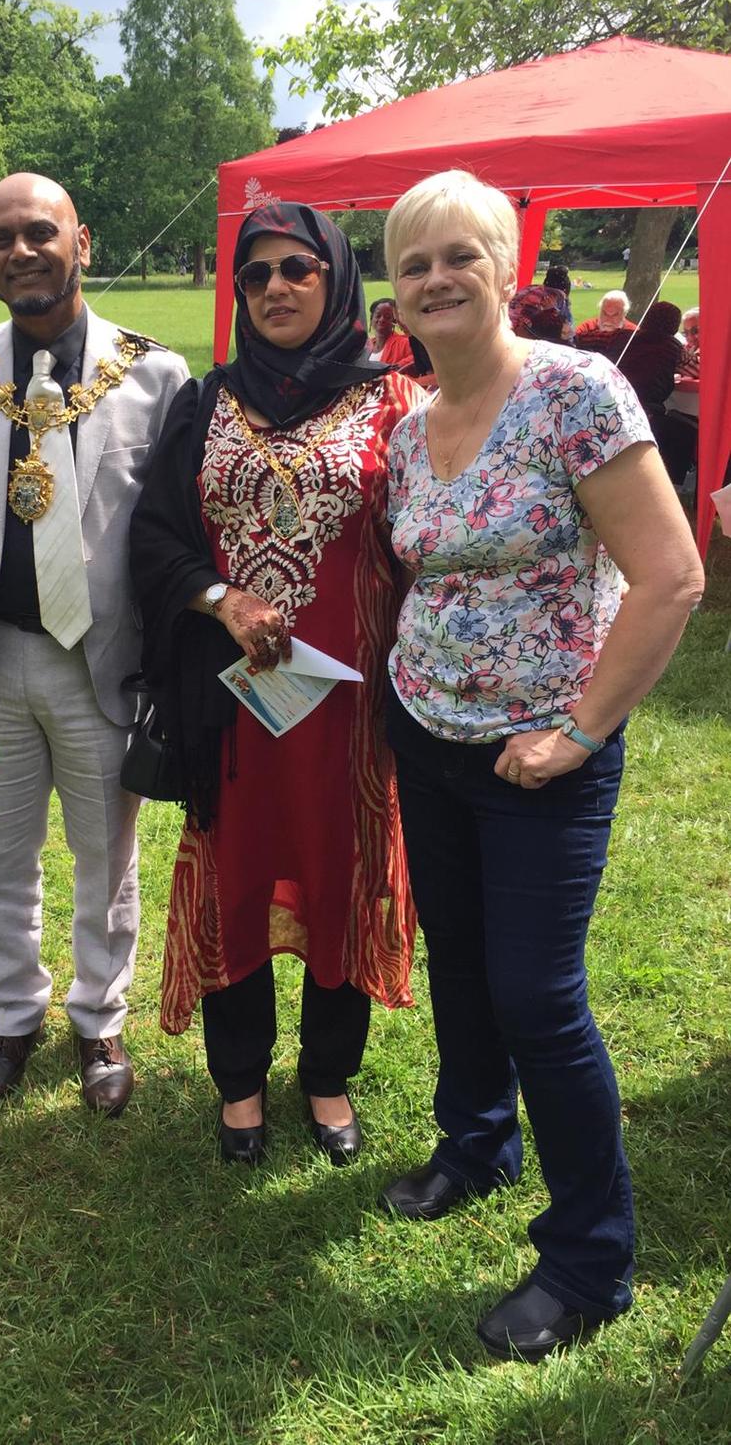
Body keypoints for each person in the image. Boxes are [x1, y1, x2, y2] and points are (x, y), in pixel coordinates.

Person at [379, 169, 705, 1360]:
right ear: (395, 296)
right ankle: (473, 1143)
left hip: (545, 755)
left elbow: (669, 578)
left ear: (508, 267)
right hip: (429, 729)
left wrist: (575, 730)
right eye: (412, 263)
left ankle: (586, 1259)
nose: (435, 278)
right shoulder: (409, 426)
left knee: (535, 995)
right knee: (456, 958)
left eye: (459, 255)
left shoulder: (578, 391)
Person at [131, 203, 420, 1167]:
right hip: (235, 709)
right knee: (237, 879)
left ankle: (328, 1076)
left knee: (339, 878)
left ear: (336, 277)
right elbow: (156, 536)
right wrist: (220, 598)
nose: (276, 289)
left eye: (297, 268)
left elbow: (427, 545)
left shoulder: (392, 405)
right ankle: (240, 1082)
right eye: (254, 276)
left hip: (350, 711)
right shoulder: (206, 402)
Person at [0, 173, 188, 1117]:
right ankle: (11, 1014)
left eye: (40, 232)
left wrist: (170, 669)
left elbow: (169, 539)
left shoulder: (155, 373)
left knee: (103, 854)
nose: (20, 250)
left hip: (101, 658)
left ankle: (97, 1015)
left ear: (83, 241)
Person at [612, 300, 693, 486]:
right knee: (685, 429)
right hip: (646, 412)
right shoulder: (672, 347)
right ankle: (672, 486)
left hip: (610, 404)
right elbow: (697, 370)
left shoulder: (622, 337)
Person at [574, 290, 637, 361]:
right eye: (605, 313)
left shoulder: (633, 333)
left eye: (615, 315)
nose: (609, 319)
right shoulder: (586, 327)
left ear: (624, 314)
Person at [368, 296, 414, 368]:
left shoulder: (404, 343)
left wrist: (395, 367)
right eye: (378, 315)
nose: (382, 320)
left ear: (395, 320)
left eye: (387, 317)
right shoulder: (365, 346)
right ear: (371, 318)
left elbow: (419, 357)